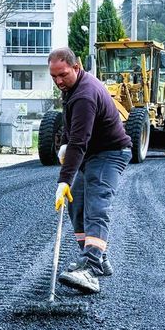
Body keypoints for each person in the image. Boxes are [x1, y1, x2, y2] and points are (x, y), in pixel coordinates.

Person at [49, 47, 132, 294]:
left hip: (110, 153)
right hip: (93, 154)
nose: (58, 81)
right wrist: (64, 143)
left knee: (97, 204)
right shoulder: (73, 89)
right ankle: (98, 258)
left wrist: (64, 180)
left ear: (76, 67)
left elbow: (79, 141)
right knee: (78, 206)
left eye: (62, 75)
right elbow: (71, 127)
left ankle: (91, 265)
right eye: (54, 77)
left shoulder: (84, 94)